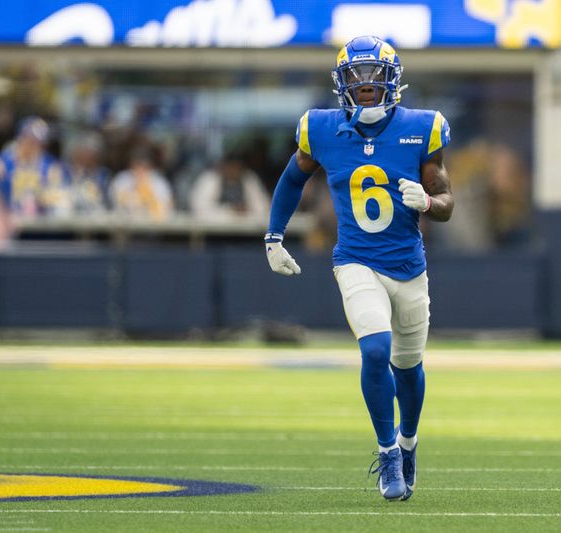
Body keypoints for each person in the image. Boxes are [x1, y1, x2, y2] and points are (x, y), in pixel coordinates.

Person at [264, 35, 453, 502]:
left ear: (392, 81)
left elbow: (448, 203)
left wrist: (428, 202)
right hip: (355, 261)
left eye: (373, 77)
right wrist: (273, 235)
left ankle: (408, 444)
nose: (366, 85)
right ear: (342, 82)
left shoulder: (422, 128)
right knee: (375, 351)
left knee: (407, 366)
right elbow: (292, 178)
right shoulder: (322, 129)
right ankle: (388, 452)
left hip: (408, 265)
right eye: (356, 77)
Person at [0, 116, 71, 217]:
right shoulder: (1, 164)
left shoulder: (51, 166)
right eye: (31, 141)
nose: (36, 146)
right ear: (21, 138)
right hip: (7, 221)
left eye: (40, 142)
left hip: (41, 225)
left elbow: (62, 195)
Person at [189, 152, 270, 222]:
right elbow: (200, 209)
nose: (233, 171)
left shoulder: (249, 179)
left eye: (237, 168)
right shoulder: (210, 179)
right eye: (230, 167)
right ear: (223, 166)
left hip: (246, 229)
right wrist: (231, 211)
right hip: (214, 230)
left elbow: (263, 207)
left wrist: (246, 210)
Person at [110, 146, 173, 220]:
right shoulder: (122, 179)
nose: (140, 169)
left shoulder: (158, 181)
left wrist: (147, 194)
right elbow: (115, 202)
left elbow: (168, 205)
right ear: (131, 165)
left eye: (144, 166)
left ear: (150, 166)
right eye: (137, 164)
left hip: (153, 225)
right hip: (126, 224)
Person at [66, 133, 111, 214]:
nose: (82, 158)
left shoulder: (104, 174)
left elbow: (105, 199)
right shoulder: (68, 172)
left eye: (86, 153)